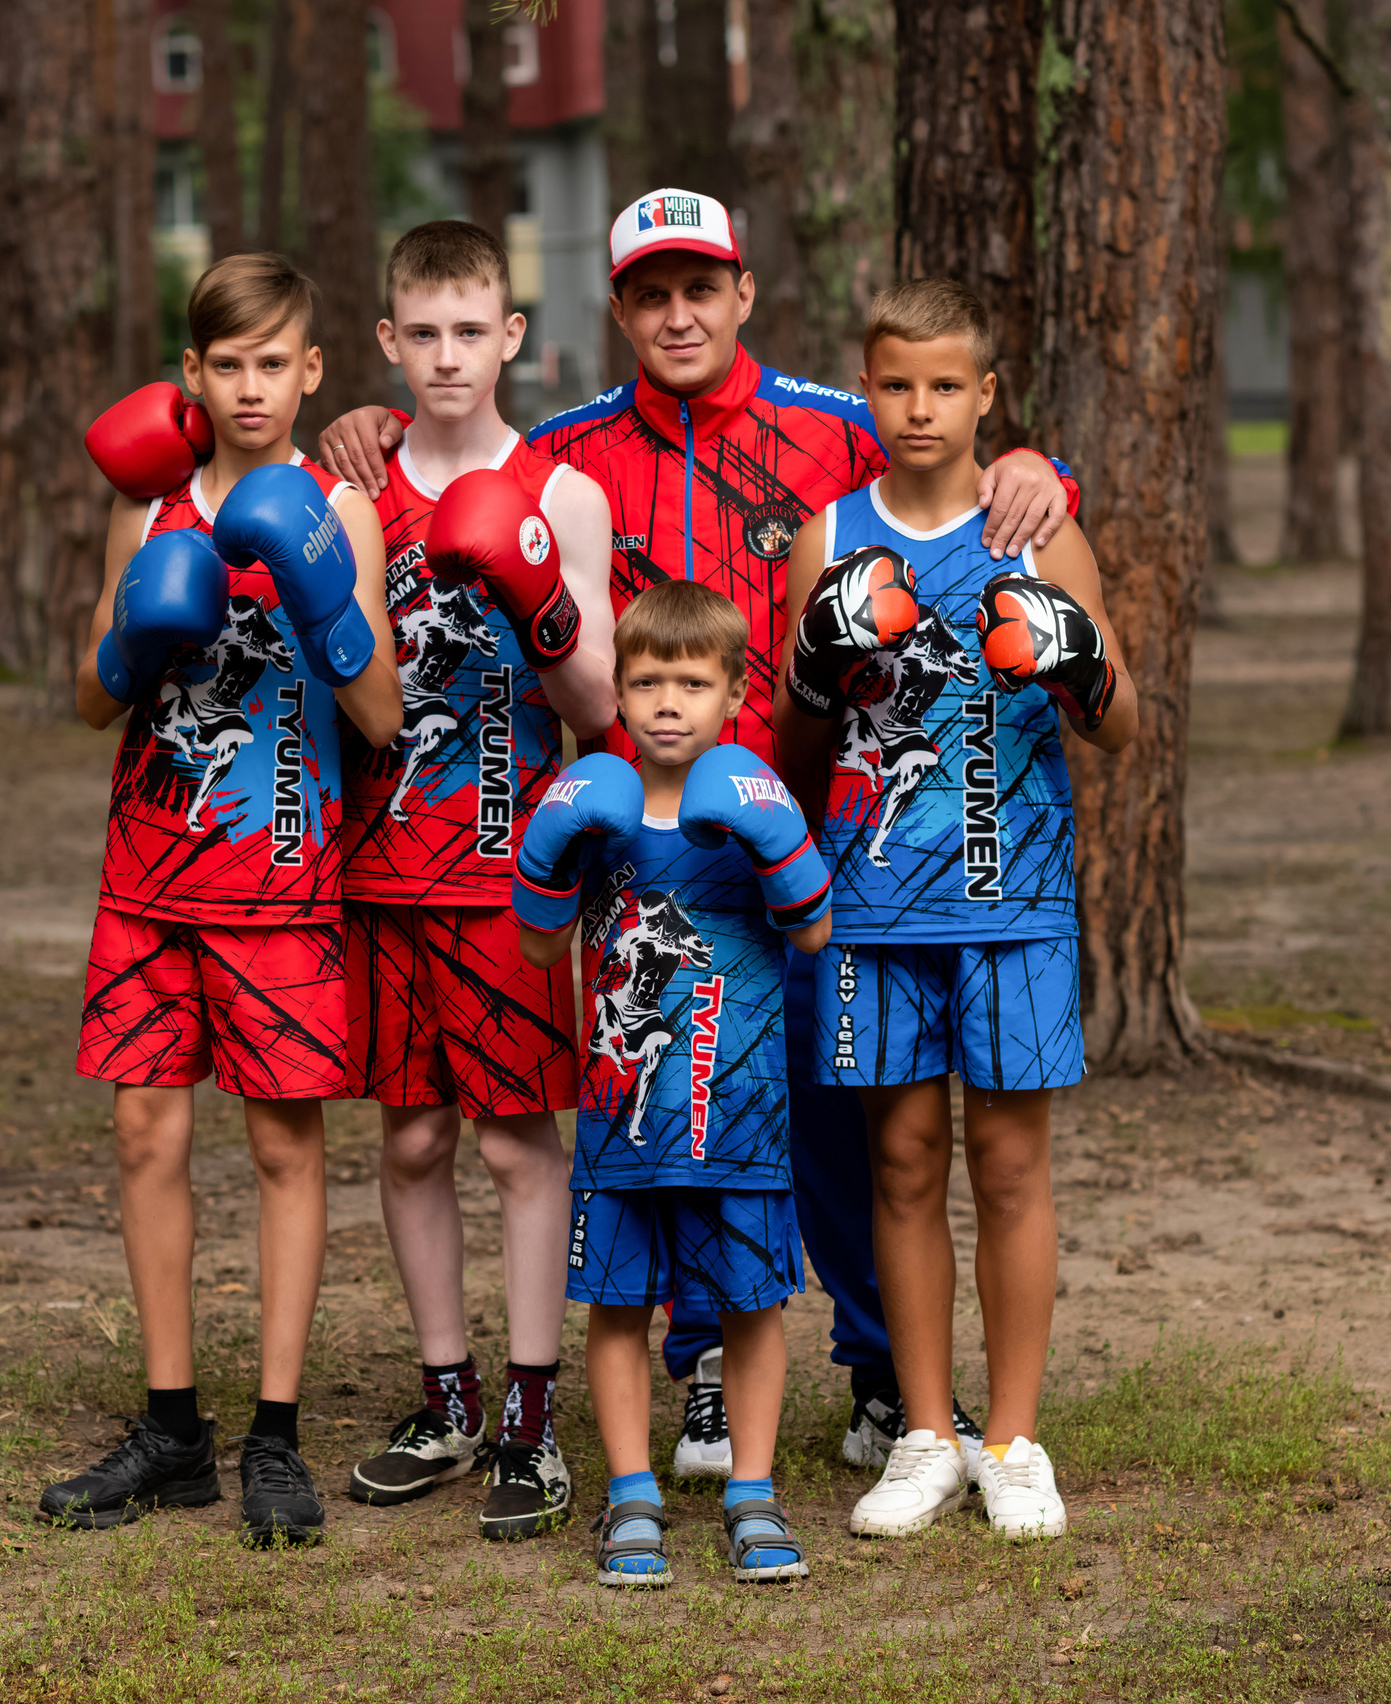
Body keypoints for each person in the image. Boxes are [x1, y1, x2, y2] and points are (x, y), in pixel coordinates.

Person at [317, 187, 1077, 1477]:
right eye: (650, 293)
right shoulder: (567, 452)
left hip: (824, 819)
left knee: (838, 1110)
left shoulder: (835, 429)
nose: (677, 313)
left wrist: (1037, 469)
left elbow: (953, 464)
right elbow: (461, 447)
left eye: (699, 288)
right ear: (617, 309)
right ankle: (702, 1371)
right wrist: (366, 426)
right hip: (643, 838)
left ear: (742, 295)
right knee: (665, 1095)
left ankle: (888, 1373)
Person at [40, 252, 402, 1549]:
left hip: (282, 877)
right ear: (193, 373)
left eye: (273, 363)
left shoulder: (336, 510)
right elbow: (88, 696)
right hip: (148, 873)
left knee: (282, 1148)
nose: (251, 388)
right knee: (148, 1136)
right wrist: (134, 641)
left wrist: (325, 607)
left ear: (309, 371)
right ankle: (171, 1428)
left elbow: (383, 719)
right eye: (226, 364)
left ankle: (277, 1436)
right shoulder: (146, 505)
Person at [771, 280, 1137, 1541]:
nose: (918, 408)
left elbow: (1124, 725)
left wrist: (1077, 656)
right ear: (864, 388)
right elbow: (793, 745)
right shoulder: (829, 532)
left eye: (944, 386)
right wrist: (815, 669)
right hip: (875, 908)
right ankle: (925, 1432)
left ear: (986, 393)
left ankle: (1016, 1437)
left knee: (1012, 1165)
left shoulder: (1034, 528)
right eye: (894, 384)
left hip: (1015, 903)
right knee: (903, 1162)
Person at [335, 221, 619, 1541]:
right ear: (391, 343)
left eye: (473, 332)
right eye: (424, 334)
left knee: (515, 1142)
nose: (449, 358)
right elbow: (357, 709)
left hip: (511, 878)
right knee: (408, 1140)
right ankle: (445, 1397)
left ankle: (530, 1417)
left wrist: (538, 594)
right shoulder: (356, 497)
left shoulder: (561, 492)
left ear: (510, 338)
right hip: (385, 870)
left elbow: (601, 703)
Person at [513, 580, 833, 1587]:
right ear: (618, 692)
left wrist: (773, 835)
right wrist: (548, 844)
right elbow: (534, 944)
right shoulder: (594, 806)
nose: (666, 703)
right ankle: (632, 1494)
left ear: (733, 696)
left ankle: (751, 1491)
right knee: (617, 1305)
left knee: (750, 1305)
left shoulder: (748, 796)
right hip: (621, 1120)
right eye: (647, 681)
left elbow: (814, 933)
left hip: (741, 1113)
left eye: (691, 683)